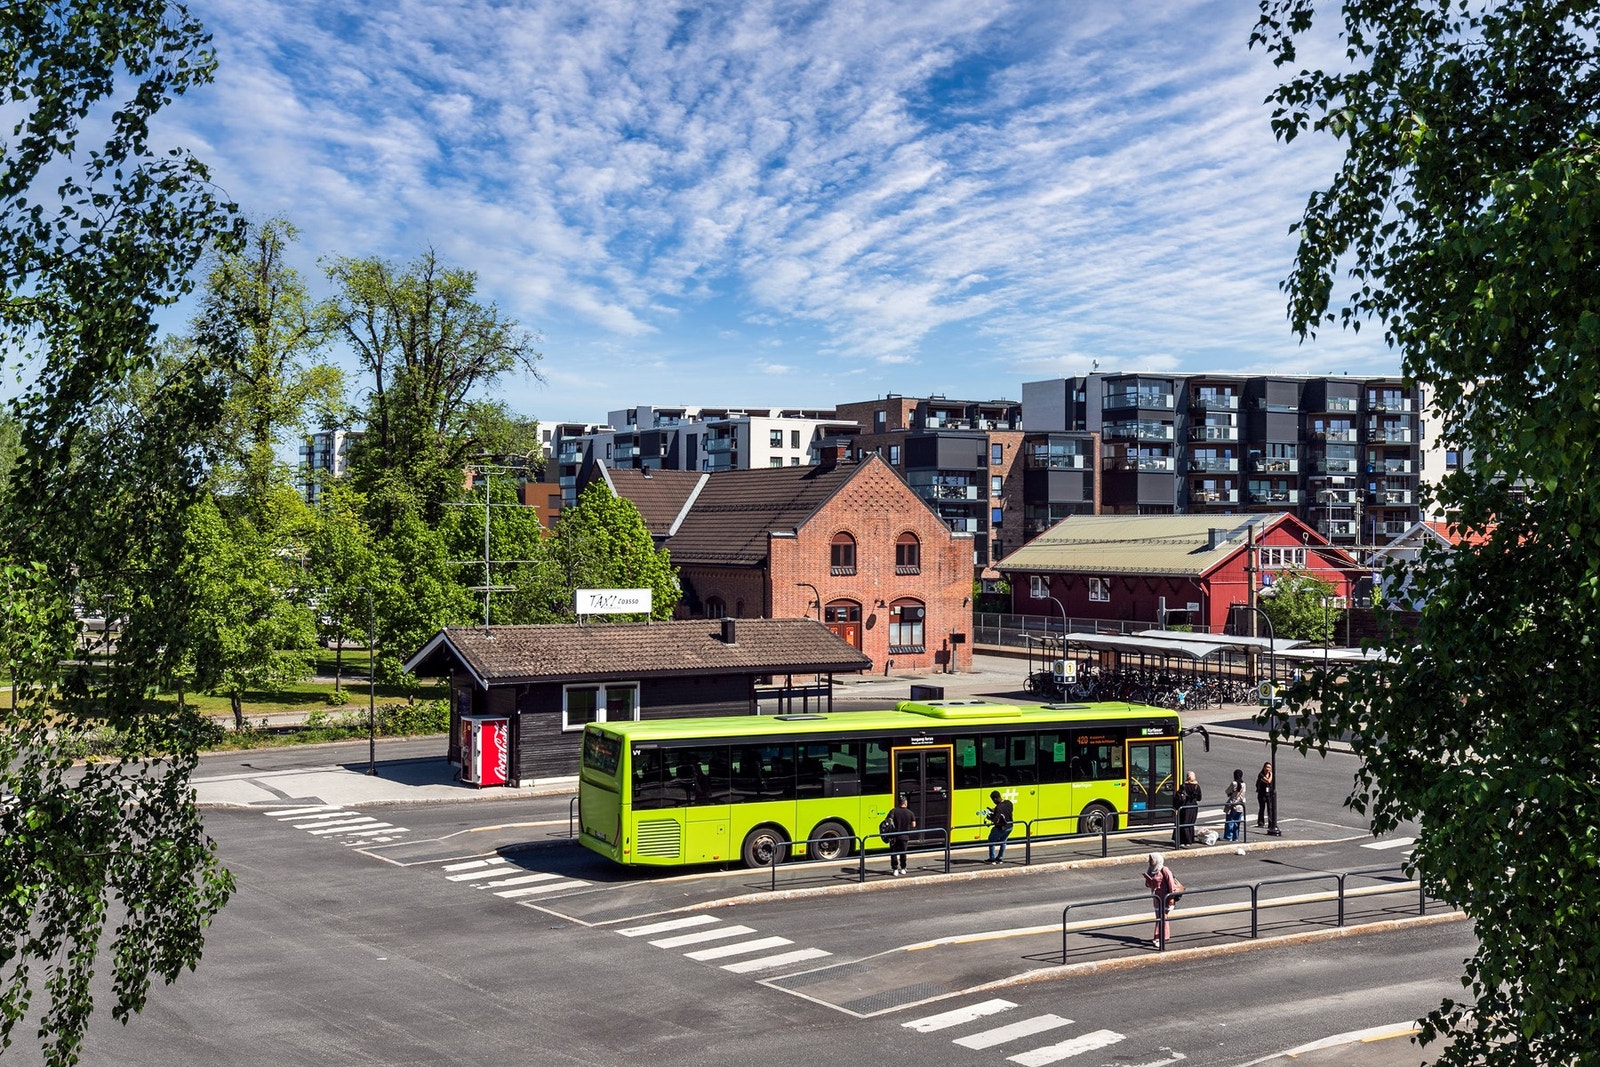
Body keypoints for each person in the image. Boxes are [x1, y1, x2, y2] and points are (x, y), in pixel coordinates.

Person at [1143, 852, 1181, 947]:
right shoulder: (1151, 870)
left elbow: (1171, 884)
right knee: (1160, 917)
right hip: (1157, 898)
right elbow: (1148, 885)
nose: (1150, 861)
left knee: (1162, 918)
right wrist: (1148, 879)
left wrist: (1171, 898)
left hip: (1165, 897)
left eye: (1151, 859)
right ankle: (1163, 936)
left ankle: (1159, 938)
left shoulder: (1165, 870)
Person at [885, 793, 916, 876]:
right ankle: (903, 868)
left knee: (894, 853)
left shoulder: (893, 811)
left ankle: (895, 869)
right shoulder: (910, 813)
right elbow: (913, 825)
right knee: (903, 853)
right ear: (905, 803)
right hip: (904, 836)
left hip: (894, 836)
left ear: (898, 803)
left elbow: (887, 822)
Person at [1171, 771, 1201, 847]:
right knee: (1190, 824)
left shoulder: (1183, 786)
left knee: (1182, 823)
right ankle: (1189, 841)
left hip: (1184, 807)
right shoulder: (1197, 786)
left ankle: (1182, 841)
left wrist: (1176, 807)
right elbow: (1199, 798)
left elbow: (1178, 797)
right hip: (1193, 807)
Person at [985, 789, 1014, 864]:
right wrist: (994, 810)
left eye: (993, 800)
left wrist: (990, 818)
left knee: (991, 840)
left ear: (995, 798)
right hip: (1010, 826)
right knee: (1003, 841)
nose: (993, 802)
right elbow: (1006, 811)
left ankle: (992, 858)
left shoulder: (999, 808)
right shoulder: (1009, 803)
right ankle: (1000, 858)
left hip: (1001, 828)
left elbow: (996, 820)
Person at [1223, 768, 1246, 842]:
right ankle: (1235, 837)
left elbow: (1227, 791)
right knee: (1237, 822)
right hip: (1240, 805)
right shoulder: (1244, 784)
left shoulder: (1234, 783)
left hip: (1233, 805)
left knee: (1230, 821)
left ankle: (1228, 836)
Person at [1255, 761, 1276, 833]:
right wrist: (1271, 775)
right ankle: (1260, 822)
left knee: (1270, 809)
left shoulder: (1270, 774)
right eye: (1267, 767)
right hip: (1262, 794)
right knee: (1262, 808)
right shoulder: (1261, 775)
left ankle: (1271, 823)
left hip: (1269, 794)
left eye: (1269, 768)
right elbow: (1268, 781)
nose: (1268, 769)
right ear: (1264, 767)